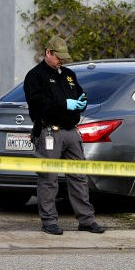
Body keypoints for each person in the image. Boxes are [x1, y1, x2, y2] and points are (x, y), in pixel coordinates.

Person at [23, 35, 105, 235]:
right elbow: (38, 104)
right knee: (48, 178)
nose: (61, 61)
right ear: (48, 53)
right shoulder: (35, 76)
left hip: (71, 132)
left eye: (63, 58)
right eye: (58, 57)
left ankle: (86, 220)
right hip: (50, 131)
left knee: (79, 177)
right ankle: (49, 221)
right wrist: (64, 104)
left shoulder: (68, 74)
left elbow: (78, 94)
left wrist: (81, 102)